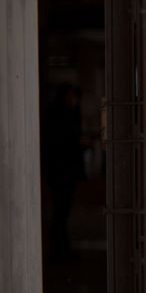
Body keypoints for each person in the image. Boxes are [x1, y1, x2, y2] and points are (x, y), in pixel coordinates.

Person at [40, 83, 86, 262]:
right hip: (61, 173)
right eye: (71, 97)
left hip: (63, 173)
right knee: (61, 212)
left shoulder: (67, 115)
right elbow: (64, 144)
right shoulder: (61, 117)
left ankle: (61, 249)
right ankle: (60, 250)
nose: (74, 101)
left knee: (62, 212)